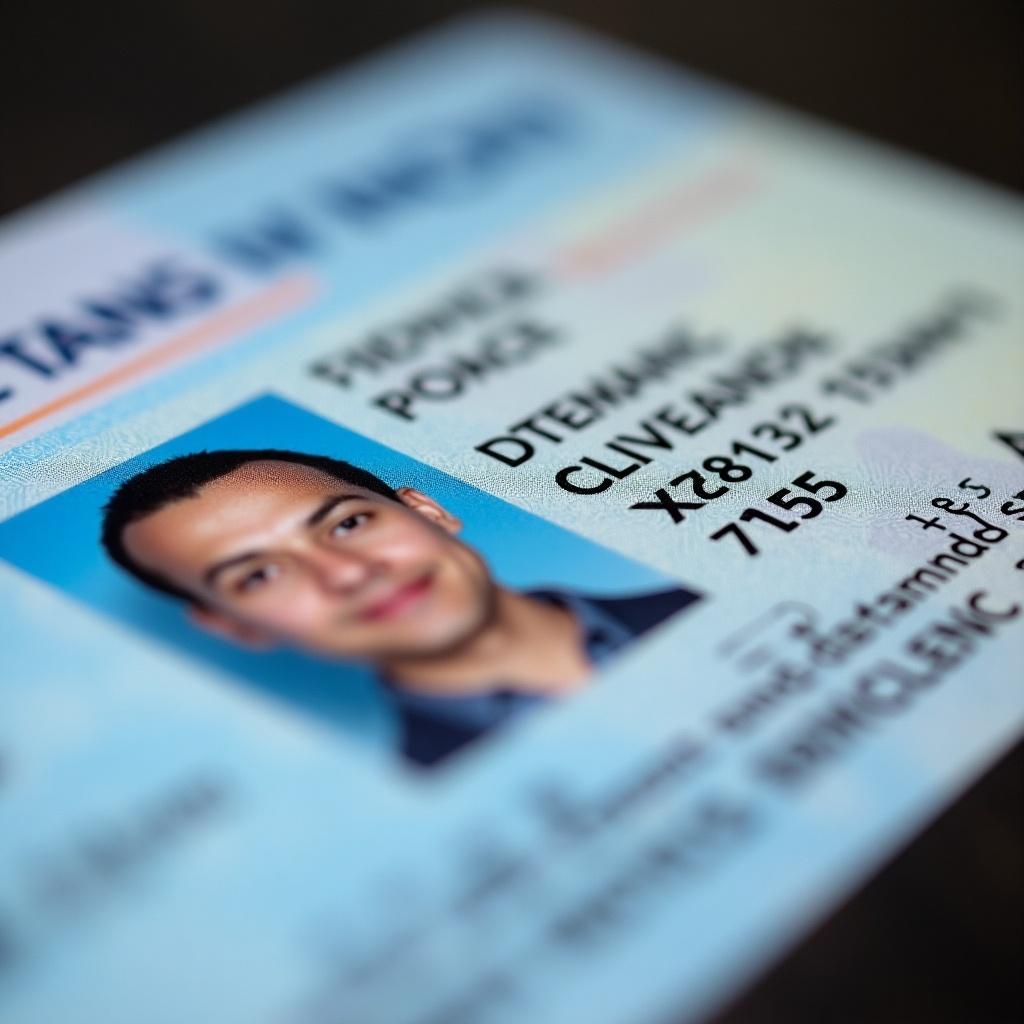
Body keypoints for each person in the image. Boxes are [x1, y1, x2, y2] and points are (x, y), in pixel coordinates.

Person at [101, 449, 698, 766]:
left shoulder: (691, 604)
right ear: (232, 627)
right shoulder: (433, 788)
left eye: (349, 524)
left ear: (429, 511)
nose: (349, 573)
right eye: (260, 575)